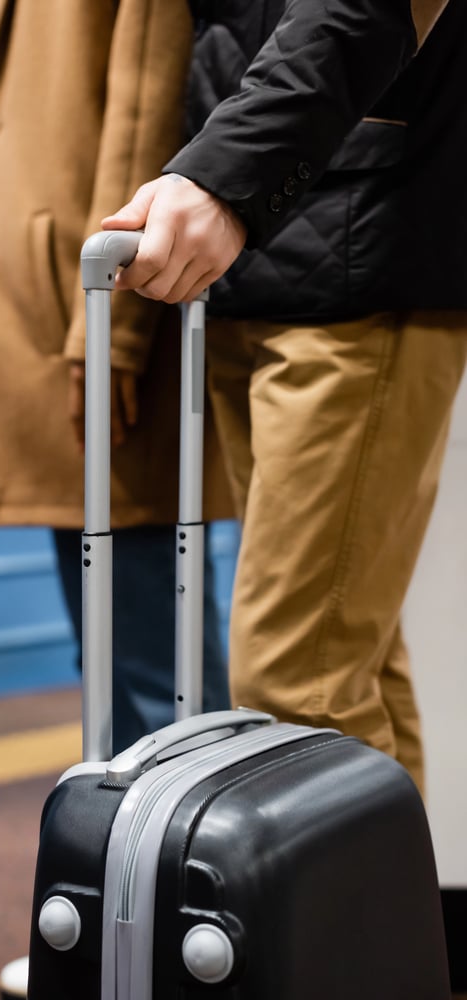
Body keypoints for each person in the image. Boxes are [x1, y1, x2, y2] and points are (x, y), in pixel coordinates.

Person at [0, 5, 234, 995]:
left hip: (97, 308)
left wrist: (108, 334)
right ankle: (136, 922)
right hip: (54, 308)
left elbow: (147, 114)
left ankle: (179, 932)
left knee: (149, 661)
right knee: (118, 647)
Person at [102, 0, 467, 799]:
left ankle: (331, 928)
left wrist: (226, 174)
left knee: (293, 687)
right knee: (346, 660)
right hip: (256, 259)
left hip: (358, 241)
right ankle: (398, 926)